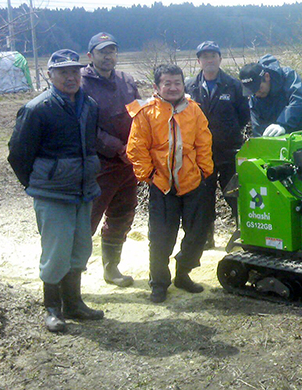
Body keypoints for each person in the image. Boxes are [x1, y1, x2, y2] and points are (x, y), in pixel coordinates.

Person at [8, 49, 104, 333]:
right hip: (53, 194)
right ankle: (53, 308)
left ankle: (74, 303)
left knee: (80, 249)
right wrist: (39, 183)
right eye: (63, 72)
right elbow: (18, 155)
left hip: (83, 192)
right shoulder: (37, 108)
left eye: (75, 71)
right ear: (50, 75)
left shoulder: (90, 105)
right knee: (56, 252)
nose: (70, 77)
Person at [126, 63, 213, 303]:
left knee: (197, 234)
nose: (173, 88)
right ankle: (159, 283)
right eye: (167, 83)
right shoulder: (145, 112)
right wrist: (149, 175)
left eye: (177, 83)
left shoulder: (194, 110)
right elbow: (136, 148)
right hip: (162, 185)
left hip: (193, 182)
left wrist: (205, 171)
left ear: (183, 85)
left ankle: (183, 273)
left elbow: (204, 143)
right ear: (157, 86)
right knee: (161, 238)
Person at [81, 32, 140, 287]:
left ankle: (111, 268)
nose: (108, 56)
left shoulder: (126, 81)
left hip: (128, 165)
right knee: (88, 219)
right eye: (103, 52)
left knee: (122, 214)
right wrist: (118, 148)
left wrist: (140, 146)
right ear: (90, 55)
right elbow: (84, 126)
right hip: (100, 165)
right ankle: (70, 275)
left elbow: (139, 116)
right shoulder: (82, 84)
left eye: (112, 51)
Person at [186, 41, 249, 249]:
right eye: (205, 56)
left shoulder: (234, 85)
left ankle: (243, 236)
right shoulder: (190, 87)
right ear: (199, 61)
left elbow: (243, 116)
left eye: (213, 55)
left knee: (235, 195)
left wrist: (227, 133)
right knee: (203, 197)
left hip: (229, 151)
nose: (209, 60)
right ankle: (206, 237)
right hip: (201, 154)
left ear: (220, 59)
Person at [239, 54, 302, 137]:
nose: (257, 94)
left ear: (267, 77)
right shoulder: (255, 99)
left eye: (259, 88)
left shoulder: (288, 77)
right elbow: (258, 129)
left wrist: (283, 124)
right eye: (253, 91)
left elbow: (298, 100)